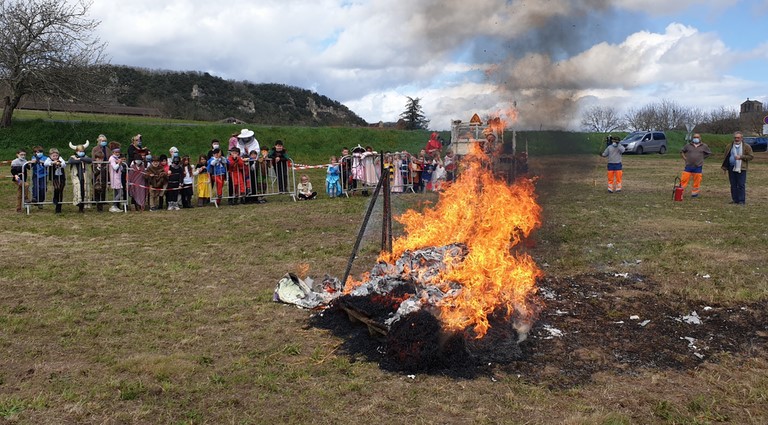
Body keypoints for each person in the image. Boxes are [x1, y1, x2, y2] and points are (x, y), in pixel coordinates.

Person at [721, 131, 754, 205]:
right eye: (735, 137)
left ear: (741, 138)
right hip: (731, 167)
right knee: (733, 184)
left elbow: (751, 156)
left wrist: (741, 157)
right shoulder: (729, 146)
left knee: (741, 185)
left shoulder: (746, 146)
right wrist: (724, 167)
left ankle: (741, 200)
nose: (736, 139)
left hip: (741, 168)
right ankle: (735, 199)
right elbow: (725, 156)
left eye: (738, 137)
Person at [679, 133, 712, 198]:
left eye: (697, 137)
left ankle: (695, 194)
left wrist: (702, 158)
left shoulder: (704, 146)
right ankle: (680, 192)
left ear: (700, 138)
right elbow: (682, 151)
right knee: (684, 179)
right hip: (688, 166)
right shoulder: (688, 145)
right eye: (694, 137)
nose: (696, 138)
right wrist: (685, 158)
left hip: (698, 166)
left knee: (697, 181)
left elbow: (709, 153)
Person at [68, 141, 92, 213]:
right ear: (76, 151)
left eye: (82, 151)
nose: (81, 152)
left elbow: (90, 160)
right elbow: (71, 161)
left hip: (84, 176)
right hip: (76, 176)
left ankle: (83, 207)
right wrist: (78, 160)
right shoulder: (73, 157)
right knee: (77, 189)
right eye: (80, 151)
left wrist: (81, 159)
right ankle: (78, 204)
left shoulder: (85, 157)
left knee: (84, 190)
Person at [45, 148, 67, 214]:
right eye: (53, 156)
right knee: (57, 188)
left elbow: (64, 164)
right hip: (54, 177)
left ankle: (58, 208)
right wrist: (52, 163)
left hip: (61, 176)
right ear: (50, 156)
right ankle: (55, 198)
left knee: (61, 190)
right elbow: (45, 164)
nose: (55, 157)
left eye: (56, 156)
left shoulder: (60, 158)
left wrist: (60, 164)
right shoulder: (49, 159)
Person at [108, 147, 125, 212]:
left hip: (118, 176)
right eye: (116, 152)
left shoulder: (117, 158)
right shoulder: (112, 158)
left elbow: (120, 168)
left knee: (116, 193)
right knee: (120, 192)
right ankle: (114, 205)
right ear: (113, 153)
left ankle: (115, 206)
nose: (117, 153)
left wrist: (119, 163)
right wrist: (118, 163)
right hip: (115, 177)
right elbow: (115, 167)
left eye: (118, 152)